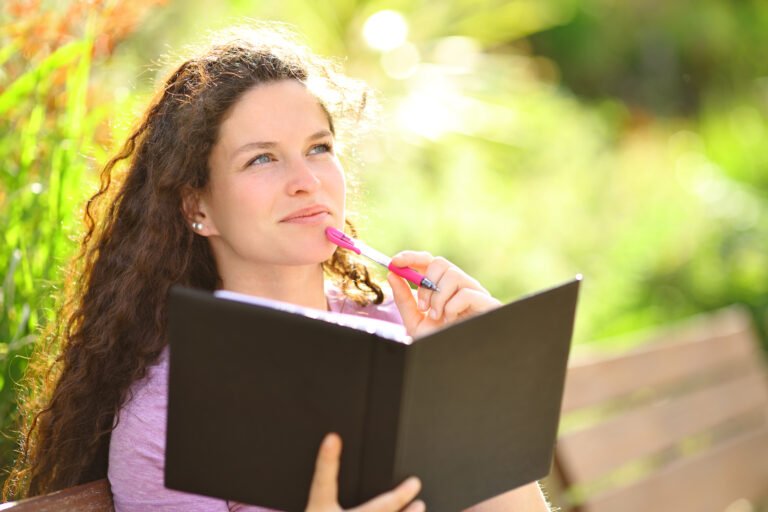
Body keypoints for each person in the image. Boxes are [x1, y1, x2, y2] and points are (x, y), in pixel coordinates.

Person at [4, 25, 552, 511]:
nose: (306, 180)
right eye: (262, 158)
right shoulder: (170, 415)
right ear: (198, 207)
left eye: (318, 148)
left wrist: (475, 378)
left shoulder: (402, 330)